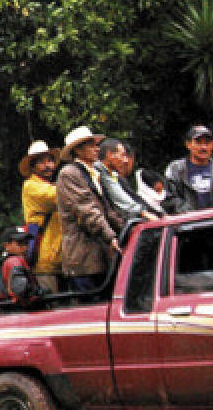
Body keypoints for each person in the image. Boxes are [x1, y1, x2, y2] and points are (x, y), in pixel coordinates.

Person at [57, 126, 122, 293]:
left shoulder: (92, 173)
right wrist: (111, 237)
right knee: (89, 307)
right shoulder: (69, 174)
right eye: (91, 145)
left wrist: (127, 229)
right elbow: (87, 212)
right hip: (83, 259)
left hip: (99, 256)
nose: (97, 149)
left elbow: (107, 211)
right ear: (78, 150)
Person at [163, 125, 213, 213]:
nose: (203, 147)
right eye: (198, 142)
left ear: (212, 145)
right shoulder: (176, 168)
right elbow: (169, 198)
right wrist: (190, 214)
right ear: (188, 144)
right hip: (186, 223)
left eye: (207, 143)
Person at [19, 139, 63, 293]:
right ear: (33, 166)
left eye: (50, 161)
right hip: (44, 259)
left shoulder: (50, 185)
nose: (48, 166)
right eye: (42, 162)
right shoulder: (31, 186)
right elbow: (57, 196)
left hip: (59, 258)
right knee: (53, 305)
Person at [96, 138, 157, 223]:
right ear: (110, 155)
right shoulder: (100, 171)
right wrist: (144, 213)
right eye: (122, 155)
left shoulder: (112, 173)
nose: (125, 160)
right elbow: (120, 198)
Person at [0, 225, 42, 305]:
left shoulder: (8, 260)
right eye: (20, 243)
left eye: (26, 243)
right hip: (18, 311)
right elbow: (21, 290)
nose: (25, 248)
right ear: (7, 245)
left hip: (11, 310)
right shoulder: (13, 261)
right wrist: (38, 292)